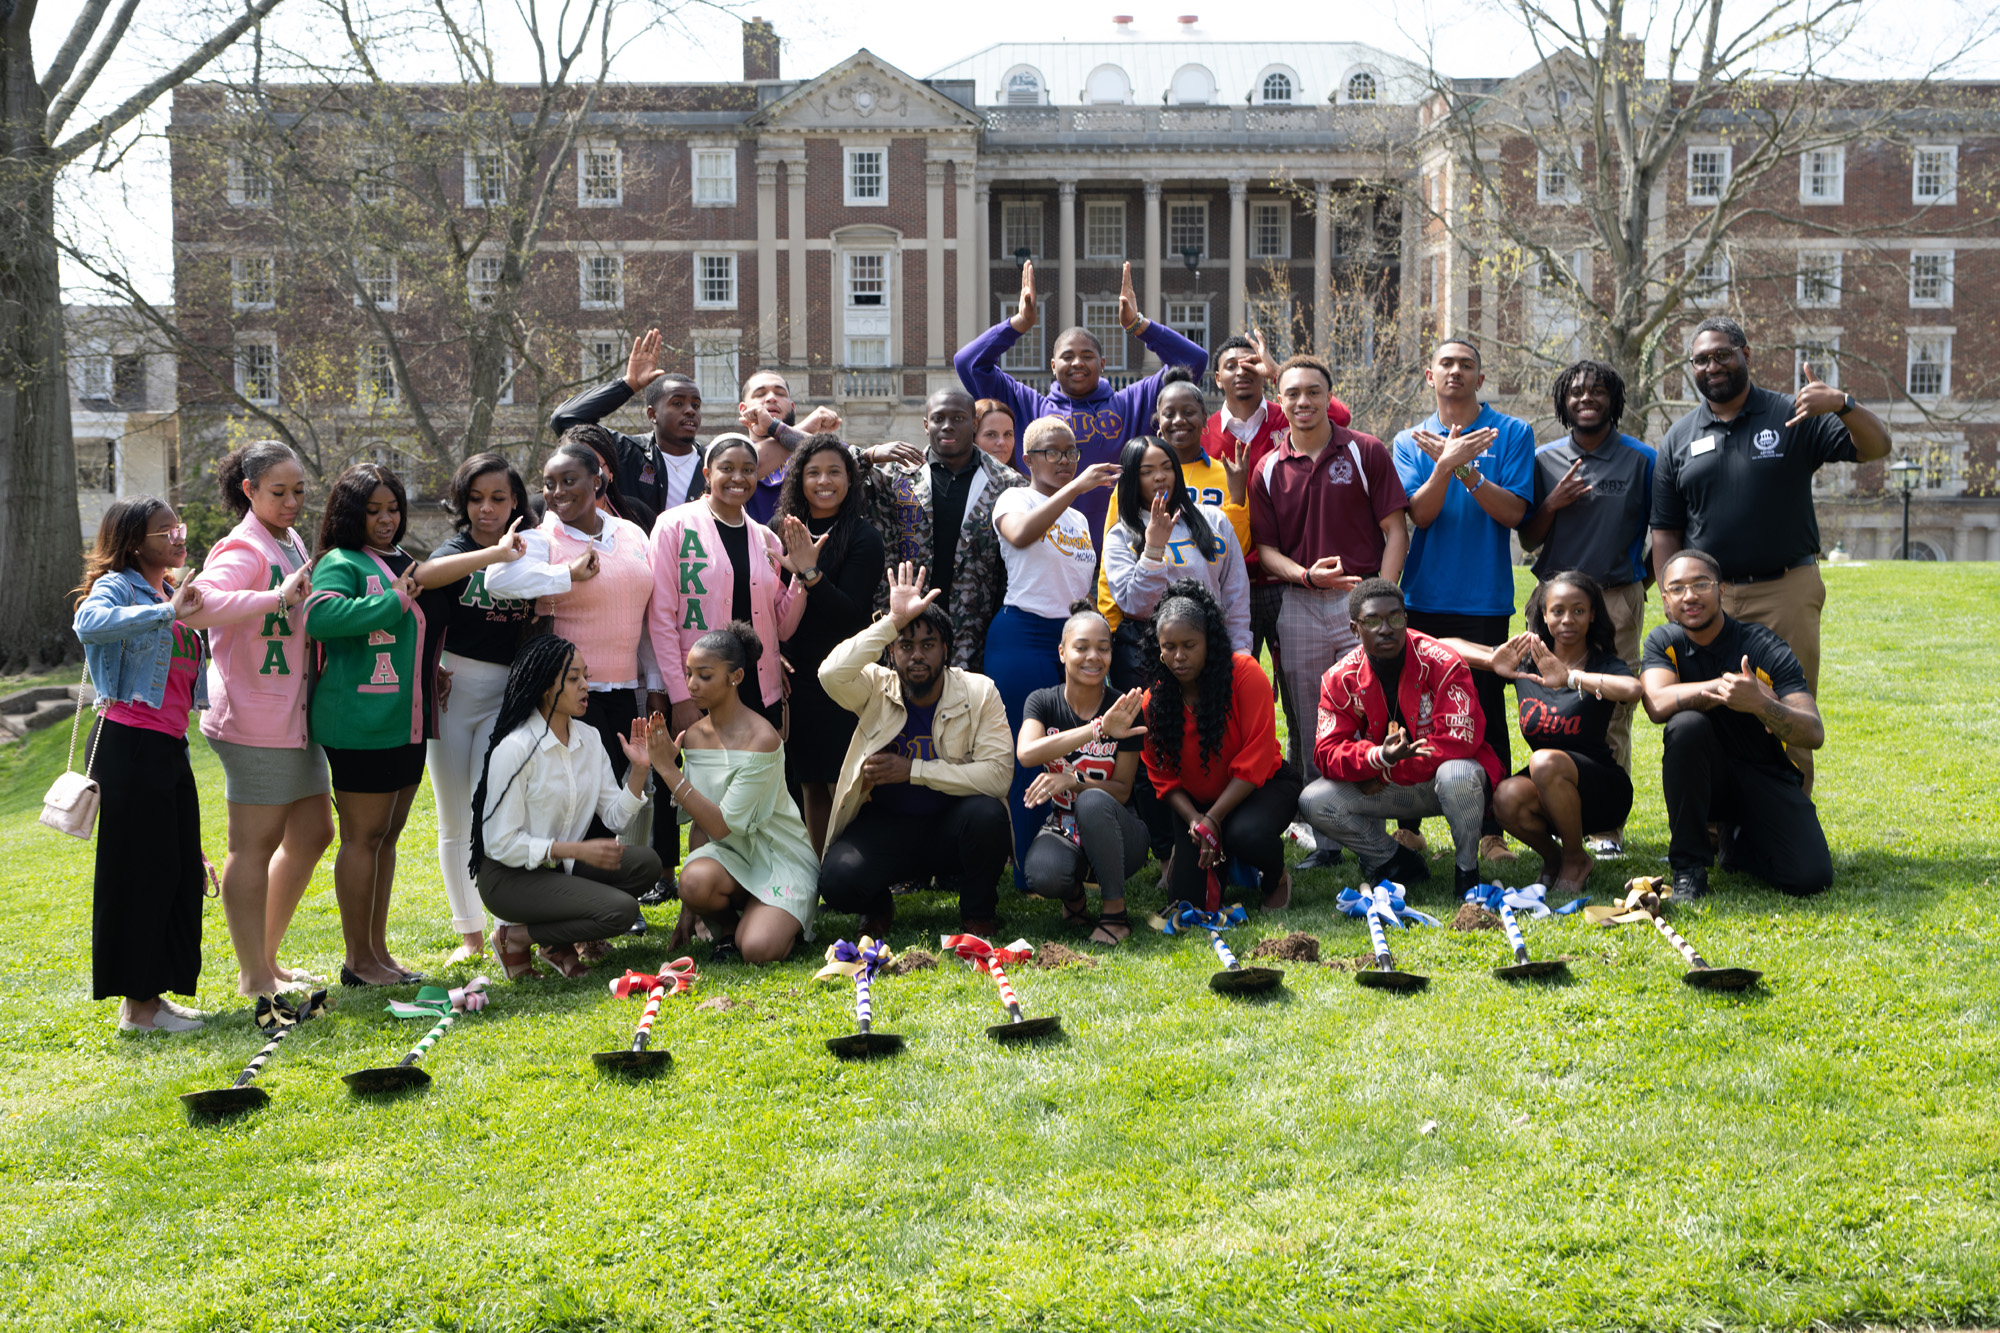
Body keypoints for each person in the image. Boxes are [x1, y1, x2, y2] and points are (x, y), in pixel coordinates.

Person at [304, 463, 523, 986]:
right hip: (361, 722)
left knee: (386, 837)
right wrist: (395, 599)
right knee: (362, 837)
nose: (385, 519)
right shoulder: (342, 561)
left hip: (408, 717)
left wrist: (430, 665)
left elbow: (416, 624)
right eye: (373, 510)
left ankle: (377, 955)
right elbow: (321, 617)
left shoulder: (399, 559)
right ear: (349, 513)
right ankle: (358, 960)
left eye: (393, 509)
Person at [1651, 316, 1891, 788]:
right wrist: (1673, 596)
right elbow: (1666, 530)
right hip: (1709, 600)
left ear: (1746, 354)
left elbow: (1877, 447)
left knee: (1786, 705)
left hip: (1785, 589)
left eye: (1722, 354)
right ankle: (1720, 828)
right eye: (1701, 359)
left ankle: (1790, 818)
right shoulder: (1678, 438)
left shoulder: (1792, 415)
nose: (1712, 366)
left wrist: (1842, 404)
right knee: (1712, 709)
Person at [483, 442, 665, 883]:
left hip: (625, 689)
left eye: (569, 481)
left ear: (598, 480)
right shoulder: (545, 540)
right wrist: (567, 575)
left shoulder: (632, 534)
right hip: (567, 695)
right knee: (577, 797)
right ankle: (571, 899)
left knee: (620, 793)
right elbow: (498, 579)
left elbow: (645, 619)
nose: (557, 492)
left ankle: (602, 893)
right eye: (548, 484)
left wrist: (656, 683)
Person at [184, 440, 327, 998]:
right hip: (251, 719)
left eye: (298, 491)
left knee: (314, 832)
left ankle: (268, 959)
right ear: (249, 490)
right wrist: (274, 598)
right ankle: (253, 976)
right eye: (278, 492)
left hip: (295, 717)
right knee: (254, 845)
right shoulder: (242, 547)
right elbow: (195, 608)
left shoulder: (285, 538)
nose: (292, 502)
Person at [1391, 337, 1535, 864]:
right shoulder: (1410, 439)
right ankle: (1409, 826)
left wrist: (1467, 469)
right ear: (1430, 375)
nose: (1455, 371)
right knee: (1414, 710)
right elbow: (1420, 515)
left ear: (1480, 377)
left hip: (1484, 601)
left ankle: (1492, 829)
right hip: (1423, 595)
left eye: (1466, 365)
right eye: (1445, 364)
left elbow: (1515, 514)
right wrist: (1443, 464)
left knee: (1485, 713)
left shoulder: (1513, 432)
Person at [817, 561, 1014, 937]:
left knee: (988, 814)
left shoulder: (979, 691)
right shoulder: (876, 686)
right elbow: (830, 674)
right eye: (906, 646)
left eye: (928, 645)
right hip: (887, 825)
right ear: (892, 653)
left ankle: (977, 914)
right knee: (837, 882)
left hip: (951, 822)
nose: (917, 656)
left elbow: (999, 776)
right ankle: (877, 904)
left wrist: (912, 771)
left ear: (946, 651)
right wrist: (892, 621)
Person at [71, 499, 210, 1031]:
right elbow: (90, 622)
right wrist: (167, 612)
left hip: (167, 746)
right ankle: (138, 1007)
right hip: (129, 744)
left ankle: (155, 995)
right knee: (139, 873)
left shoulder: (170, 590)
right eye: (164, 530)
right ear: (134, 542)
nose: (177, 535)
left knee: (176, 870)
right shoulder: (120, 587)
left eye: (179, 525)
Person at [1251, 353, 1411, 814]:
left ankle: (1374, 816)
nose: (1304, 401)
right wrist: (1304, 575)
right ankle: (1325, 827)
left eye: (1314, 392)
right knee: (1310, 716)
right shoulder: (1267, 467)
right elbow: (1265, 552)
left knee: (1370, 710)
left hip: (1359, 605)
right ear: (1279, 401)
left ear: (1328, 396)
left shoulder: (1365, 450)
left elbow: (1395, 530)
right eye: (1293, 393)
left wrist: (1378, 597)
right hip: (1299, 603)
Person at [954, 260, 1207, 539]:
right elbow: (968, 363)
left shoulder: (1133, 403)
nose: (1077, 363)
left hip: (1119, 552)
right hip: (1049, 553)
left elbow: (1193, 361)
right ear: (1052, 365)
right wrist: (1019, 324)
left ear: (1103, 363)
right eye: (1067, 357)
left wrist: (1138, 325)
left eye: (1087, 356)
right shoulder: (1029, 406)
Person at [1517, 359, 1656, 854]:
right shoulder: (1543, 459)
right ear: (1563, 402)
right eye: (1576, 392)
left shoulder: (1643, 459)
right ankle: (1553, 799)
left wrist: (1640, 583)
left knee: (1612, 709)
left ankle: (1605, 828)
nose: (1586, 399)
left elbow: (1661, 533)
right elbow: (1529, 535)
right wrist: (1551, 504)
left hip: (1616, 597)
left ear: (1614, 399)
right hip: (1552, 601)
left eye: (1598, 391)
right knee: (1548, 700)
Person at [1639, 549, 1831, 900]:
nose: (1690, 596)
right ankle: (1689, 869)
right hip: (1704, 782)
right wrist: (1724, 688)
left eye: (1701, 584)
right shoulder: (1664, 642)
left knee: (1810, 877)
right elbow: (1657, 704)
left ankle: (1739, 840)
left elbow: (1812, 732)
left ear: (1722, 590)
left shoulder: (1762, 645)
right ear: (1666, 600)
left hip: (1763, 774)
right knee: (1685, 726)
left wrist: (1760, 705)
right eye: (1678, 589)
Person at [1298, 578, 1504, 896]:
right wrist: (1376, 757)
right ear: (1355, 629)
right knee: (1314, 801)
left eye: (1395, 618)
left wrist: (1384, 769)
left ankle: (1467, 872)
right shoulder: (1339, 678)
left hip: (1439, 781)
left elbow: (1460, 740)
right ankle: (1394, 859)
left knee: (1458, 773)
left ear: (1405, 620)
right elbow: (1326, 752)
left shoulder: (1444, 662)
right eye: (1372, 621)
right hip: (1385, 781)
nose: (1386, 629)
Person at [472, 636, 662, 979]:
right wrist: (577, 849)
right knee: (621, 912)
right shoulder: (516, 748)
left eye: (585, 677)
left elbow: (616, 818)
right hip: (508, 876)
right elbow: (500, 843)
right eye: (574, 679)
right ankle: (513, 937)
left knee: (645, 865)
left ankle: (549, 941)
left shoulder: (589, 738)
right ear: (545, 687)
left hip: (560, 869)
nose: (586, 686)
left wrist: (639, 770)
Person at [1438, 572, 1641, 894]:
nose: (1567, 619)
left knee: (1544, 762)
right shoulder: (1530, 662)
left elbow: (1632, 689)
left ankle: (1576, 858)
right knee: (1505, 796)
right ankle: (1555, 857)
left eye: (1578, 610)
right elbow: (1444, 645)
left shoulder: (1601, 662)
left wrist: (1571, 678)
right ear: (1544, 616)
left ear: (1592, 616)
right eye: (1557, 610)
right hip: (1549, 786)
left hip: (1602, 791)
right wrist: (1491, 660)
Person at [419, 454, 538, 964]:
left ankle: (508, 922)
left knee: (493, 809)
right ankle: (468, 933)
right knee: (454, 817)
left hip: (505, 692)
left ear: (516, 502)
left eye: (498, 499)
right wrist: (491, 555)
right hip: (451, 691)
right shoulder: (457, 551)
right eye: (475, 499)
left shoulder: (531, 548)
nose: (486, 510)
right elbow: (422, 576)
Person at [989, 416, 1118, 881]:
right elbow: (1021, 534)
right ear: (1028, 459)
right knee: (1030, 753)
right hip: (1021, 634)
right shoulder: (1014, 497)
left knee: (1078, 750)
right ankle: (1028, 866)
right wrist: (1076, 486)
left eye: (1071, 452)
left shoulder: (1081, 517)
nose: (1065, 460)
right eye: (1053, 452)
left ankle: (1075, 860)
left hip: (1070, 641)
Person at [648, 622, 819, 964]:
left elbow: (723, 825)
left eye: (705, 676)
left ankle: (770, 919)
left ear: (736, 677)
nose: (692, 685)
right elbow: (700, 824)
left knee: (757, 949)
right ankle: (729, 929)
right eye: (688, 673)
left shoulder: (763, 738)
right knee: (693, 882)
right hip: (732, 861)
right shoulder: (694, 736)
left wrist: (669, 769)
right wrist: (688, 908)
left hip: (779, 859)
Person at [1141, 580, 1300, 912]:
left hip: (1260, 789)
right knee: (1187, 904)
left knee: (1247, 834)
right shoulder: (1154, 699)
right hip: (1195, 807)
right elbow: (1161, 776)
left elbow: (1256, 761)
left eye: (1189, 645)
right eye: (1169, 646)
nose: (1179, 656)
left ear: (1209, 643)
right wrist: (1197, 821)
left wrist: (1214, 818)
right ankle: (1221, 861)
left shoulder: (1245, 675)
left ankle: (1275, 877)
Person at [1203, 330, 1354, 664]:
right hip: (1232, 577)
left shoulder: (1288, 416)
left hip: (1287, 575)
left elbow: (1341, 417)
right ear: (1217, 378)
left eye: (1251, 365)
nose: (1242, 372)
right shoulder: (1204, 432)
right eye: (1231, 366)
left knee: (1298, 679)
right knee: (1234, 677)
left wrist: (1277, 371)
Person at [648, 434, 810, 741]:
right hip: (700, 689)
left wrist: (802, 576)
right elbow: (660, 619)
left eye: (748, 469)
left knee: (757, 784)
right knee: (700, 786)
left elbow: (783, 628)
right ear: (708, 474)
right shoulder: (674, 527)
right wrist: (680, 696)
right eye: (727, 468)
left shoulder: (767, 539)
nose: (739, 477)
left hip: (758, 689)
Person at [772, 433, 888, 853]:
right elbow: (765, 605)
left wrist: (809, 573)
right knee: (809, 782)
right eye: (813, 472)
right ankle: (817, 871)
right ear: (799, 479)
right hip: (795, 676)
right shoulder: (777, 531)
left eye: (834, 472)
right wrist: (775, 653)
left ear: (850, 479)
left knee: (845, 781)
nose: (824, 481)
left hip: (842, 676)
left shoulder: (862, 537)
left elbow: (850, 614)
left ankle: (855, 869)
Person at [862, 387, 1026, 673]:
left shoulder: (1007, 483)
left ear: (974, 424)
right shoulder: (895, 475)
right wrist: (869, 455)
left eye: (959, 418)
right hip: (905, 626)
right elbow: (821, 466)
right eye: (938, 418)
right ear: (926, 426)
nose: (948, 425)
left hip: (974, 632)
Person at [1017, 607, 1150, 946]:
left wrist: (1075, 782)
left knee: (1092, 800)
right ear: (1062, 652)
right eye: (1081, 647)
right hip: (1063, 827)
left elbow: (1121, 791)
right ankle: (1074, 898)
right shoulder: (1042, 702)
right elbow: (1028, 753)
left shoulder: (1124, 707)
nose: (1093, 656)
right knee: (1042, 874)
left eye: (1103, 648)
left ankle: (1114, 916)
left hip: (1122, 832)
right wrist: (1097, 730)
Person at [1100, 433, 1251, 691]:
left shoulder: (1214, 520)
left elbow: (1235, 591)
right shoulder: (1120, 535)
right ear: (1132, 479)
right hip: (1148, 657)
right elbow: (1135, 604)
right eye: (1147, 471)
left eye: (1167, 467)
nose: (1160, 477)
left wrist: (1240, 649)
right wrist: (1153, 550)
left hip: (1211, 651)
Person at [548, 327, 706, 518]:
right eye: (677, 403)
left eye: (696, 405)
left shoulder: (713, 462)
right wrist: (629, 384)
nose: (690, 410)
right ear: (652, 414)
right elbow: (564, 419)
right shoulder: (625, 451)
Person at [737, 369, 842, 525]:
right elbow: (745, 466)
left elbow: (851, 463)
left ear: (793, 407)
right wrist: (806, 426)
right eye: (760, 394)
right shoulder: (728, 449)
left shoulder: (820, 446)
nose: (771, 398)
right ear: (743, 410)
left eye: (780, 393)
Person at [560, 421, 658, 532]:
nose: (582, 475)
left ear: (610, 472)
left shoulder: (637, 513)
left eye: (593, 466)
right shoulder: (540, 512)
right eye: (571, 467)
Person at [973, 399, 1018, 471]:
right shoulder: (954, 481)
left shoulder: (1025, 482)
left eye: (1008, 434)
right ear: (972, 438)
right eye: (991, 434)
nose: (1002, 442)